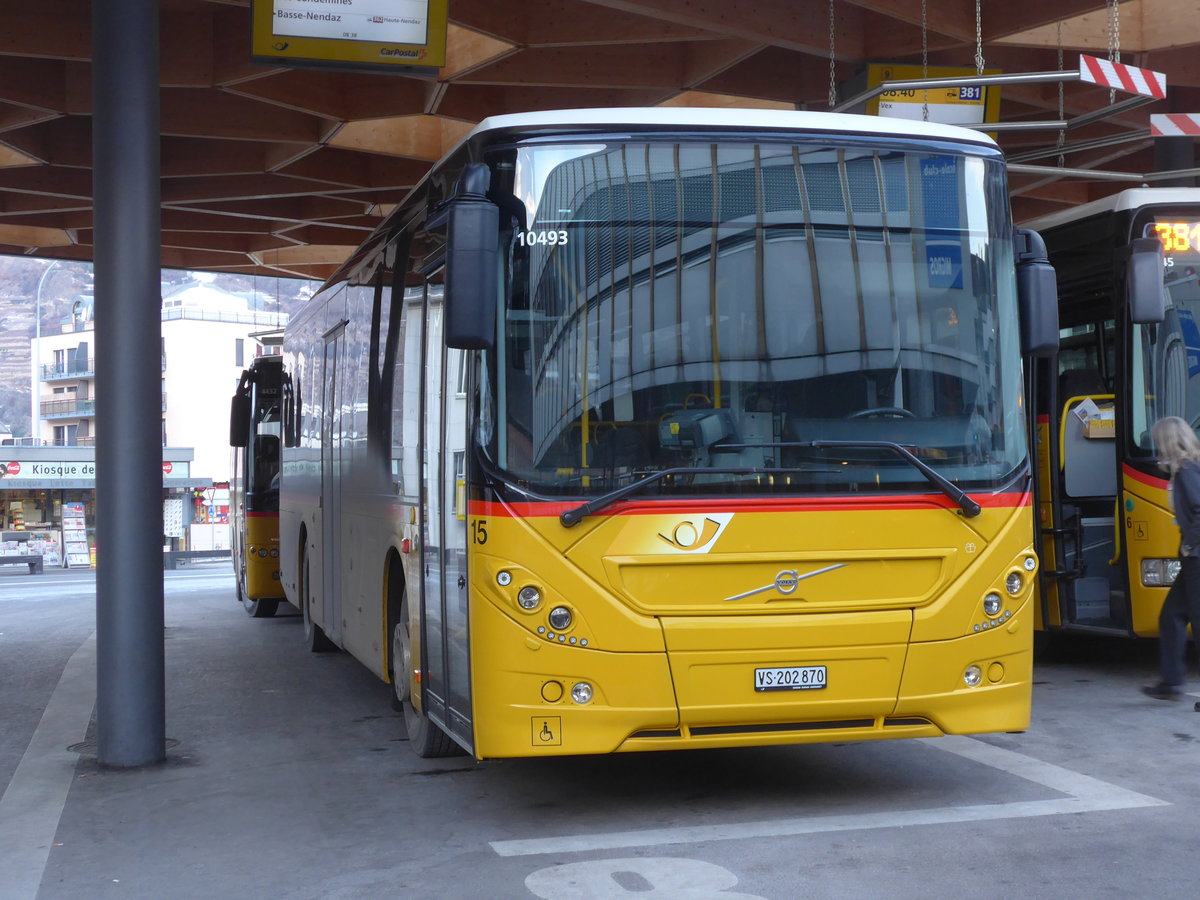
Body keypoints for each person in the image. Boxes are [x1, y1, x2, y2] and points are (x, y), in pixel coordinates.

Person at [1143, 416, 1200, 701]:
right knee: (1171, 615)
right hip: (1192, 556)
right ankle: (1171, 682)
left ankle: (1172, 682)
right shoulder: (1186, 469)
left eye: (1157, 441)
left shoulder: (1187, 471)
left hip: (1197, 557)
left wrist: (1190, 545)